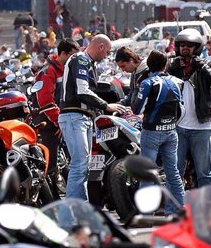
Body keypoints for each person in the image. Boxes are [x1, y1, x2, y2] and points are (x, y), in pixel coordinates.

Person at [59, 34, 127, 201]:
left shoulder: (87, 62)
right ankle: (72, 214)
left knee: (83, 167)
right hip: (75, 118)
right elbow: (82, 91)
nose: (107, 56)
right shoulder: (81, 60)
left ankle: (79, 210)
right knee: (79, 166)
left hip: (81, 118)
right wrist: (106, 105)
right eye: (107, 51)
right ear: (100, 46)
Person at [169, 28, 211, 187]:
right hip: (178, 127)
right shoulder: (175, 66)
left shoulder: (207, 64)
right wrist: (173, 67)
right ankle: (174, 208)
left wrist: (202, 67)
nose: (185, 48)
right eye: (182, 45)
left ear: (197, 47)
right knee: (175, 171)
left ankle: (208, 209)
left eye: (190, 45)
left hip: (201, 127)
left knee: (204, 173)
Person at [131, 50, 184, 213]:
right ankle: (177, 210)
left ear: (149, 65)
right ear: (165, 64)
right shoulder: (177, 82)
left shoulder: (148, 83)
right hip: (171, 131)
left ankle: (146, 214)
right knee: (173, 173)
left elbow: (136, 109)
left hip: (152, 132)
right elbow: (181, 110)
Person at [30, 39, 80, 196]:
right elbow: (45, 102)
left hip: (63, 120)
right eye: (72, 55)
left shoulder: (67, 69)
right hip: (49, 122)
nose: (75, 59)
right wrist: (61, 122)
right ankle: (52, 200)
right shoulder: (48, 71)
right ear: (63, 54)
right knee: (50, 164)